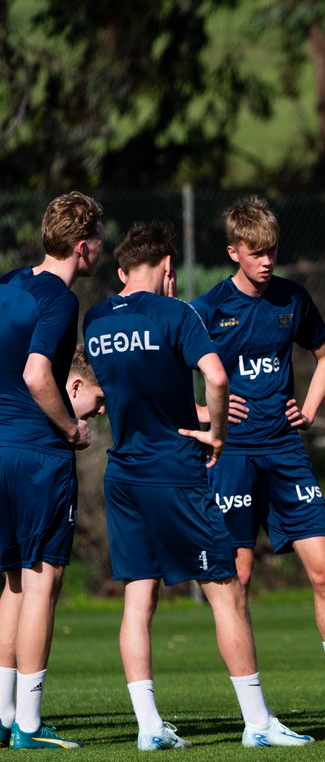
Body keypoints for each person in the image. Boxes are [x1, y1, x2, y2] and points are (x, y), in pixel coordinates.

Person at [83, 222, 313, 749]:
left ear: (123, 269)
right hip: (175, 471)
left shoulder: (95, 320)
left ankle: (148, 727)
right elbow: (216, 376)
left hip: (123, 472)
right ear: (168, 267)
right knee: (226, 591)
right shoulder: (177, 312)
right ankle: (257, 723)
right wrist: (215, 433)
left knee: (138, 599)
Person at [191, 196, 325, 720]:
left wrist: (308, 406)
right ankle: (252, 708)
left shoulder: (293, 299)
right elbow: (164, 376)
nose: (266, 261)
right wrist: (201, 410)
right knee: (238, 580)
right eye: (256, 252)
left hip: (285, 452)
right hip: (233, 455)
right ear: (234, 251)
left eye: (272, 251)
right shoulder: (209, 308)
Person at [0, 192, 104, 750]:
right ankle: (31, 727)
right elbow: (39, 373)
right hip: (37, 455)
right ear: (83, 247)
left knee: (13, 582)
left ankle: (3, 714)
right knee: (43, 585)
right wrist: (70, 429)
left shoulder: (8, 284)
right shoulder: (60, 299)